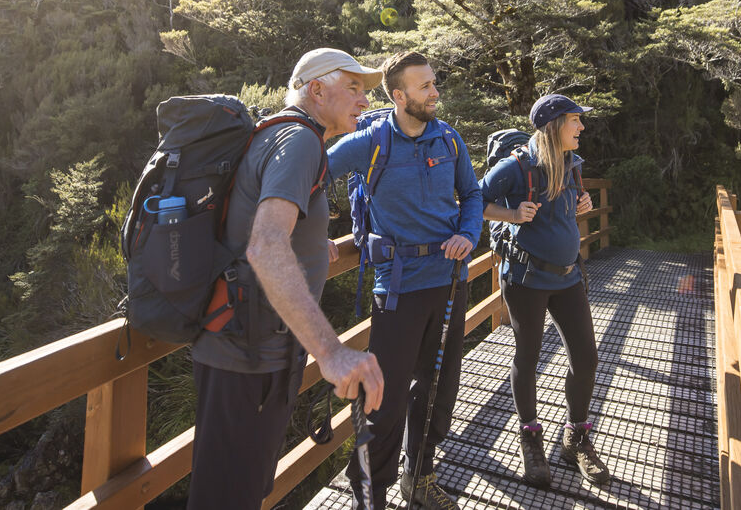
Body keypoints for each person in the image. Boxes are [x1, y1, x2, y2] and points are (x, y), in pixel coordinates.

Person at [188, 48, 387, 510]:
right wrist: (331, 352)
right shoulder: (299, 141)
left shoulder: (283, 134)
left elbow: (268, 227)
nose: (364, 100)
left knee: (237, 491)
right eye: (353, 88)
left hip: (245, 345)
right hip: (248, 355)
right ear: (316, 89)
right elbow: (265, 244)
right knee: (228, 498)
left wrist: (314, 243)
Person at [327, 51, 484, 510]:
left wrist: (468, 233)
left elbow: (472, 194)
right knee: (385, 399)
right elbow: (309, 176)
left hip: (449, 280)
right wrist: (316, 231)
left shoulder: (448, 139)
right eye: (425, 86)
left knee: (438, 391)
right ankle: (370, 496)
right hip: (397, 289)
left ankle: (419, 477)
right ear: (399, 95)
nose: (435, 93)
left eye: (434, 83)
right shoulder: (370, 142)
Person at [479, 93, 611, 489]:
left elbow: (565, 208)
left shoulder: (572, 164)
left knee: (586, 357)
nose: (581, 127)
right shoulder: (516, 167)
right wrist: (511, 214)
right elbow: (472, 201)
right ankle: (530, 437)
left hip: (568, 278)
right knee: (528, 357)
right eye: (575, 120)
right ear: (554, 126)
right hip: (526, 279)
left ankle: (576, 437)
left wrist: (582, 200)